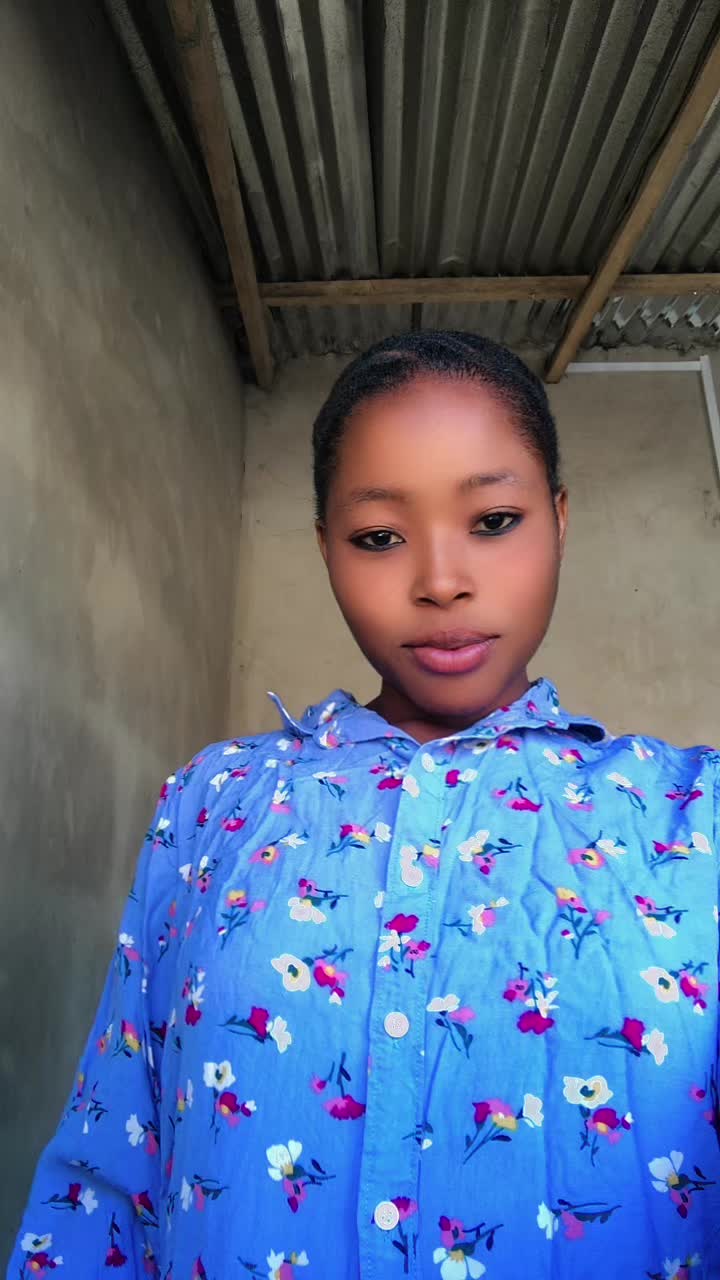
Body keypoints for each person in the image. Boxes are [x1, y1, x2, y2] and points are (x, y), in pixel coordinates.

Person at [8, 330, 719, 1280]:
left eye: (494, 520)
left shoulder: (695, 819)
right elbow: (107, 1178)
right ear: (324, 548)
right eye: (380, 536)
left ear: (558, 517)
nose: (440, 581)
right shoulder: (215, 803)